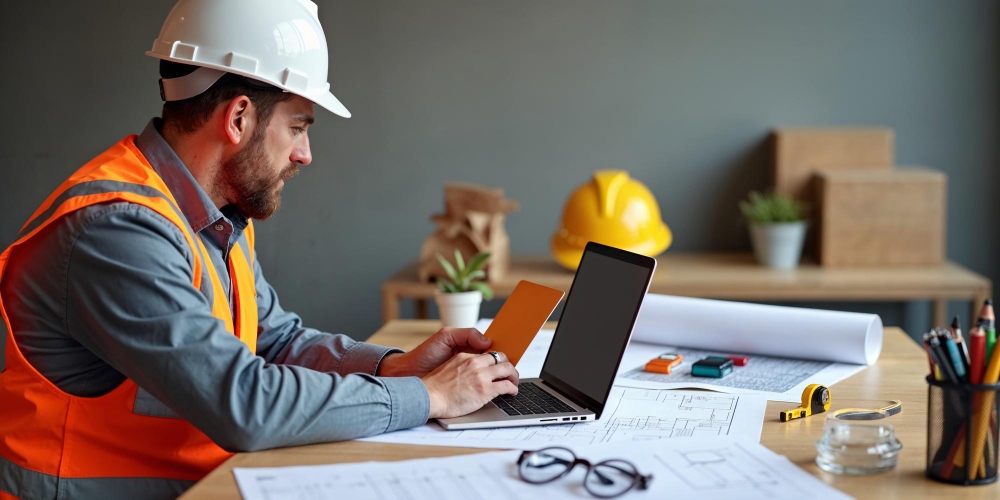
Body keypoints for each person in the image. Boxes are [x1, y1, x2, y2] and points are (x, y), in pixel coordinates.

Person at [0, 1, 518, 499]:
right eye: (297, 127)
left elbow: (275, 342)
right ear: (239, 117)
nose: (305, 154)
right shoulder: (115, 231)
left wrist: (395, 368)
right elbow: (244, 404)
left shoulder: (215, 214)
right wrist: (431, 396)